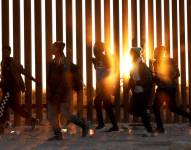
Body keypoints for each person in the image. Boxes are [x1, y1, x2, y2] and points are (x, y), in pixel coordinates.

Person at [47, 41, 89, 140]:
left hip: (63, 93)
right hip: (55, 92)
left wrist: (58, 93)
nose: (51, 49)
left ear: (58, 49)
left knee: (65, 113)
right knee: (52, 114)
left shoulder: (64, 62)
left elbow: (65, 80)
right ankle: (58, 134)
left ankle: (84, 125)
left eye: (53, 47)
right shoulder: (54, 61)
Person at [0, 45, 39, 134]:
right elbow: (4, 76)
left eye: (6, 52)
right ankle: (32, 120)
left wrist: (34, 80)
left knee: (2, 106)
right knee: (16, 108)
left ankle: (1, 127)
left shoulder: (13, 62)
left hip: (12, 89)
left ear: (9, 52)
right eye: (3, 52)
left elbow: (23, 71)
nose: (5, 53)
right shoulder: (3, 62)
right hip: (6, 89)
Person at [152, 46, 191, 133]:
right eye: (155, 52)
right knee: (156, 107)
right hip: (161, 88)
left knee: (172, 108)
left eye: (156, 52)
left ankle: (189, 117)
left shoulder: (170, 61)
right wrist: (156, 78)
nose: (154, 53)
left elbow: (177, 73)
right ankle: (160, 127)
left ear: (161, 53)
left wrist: (167, 78)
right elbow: (157, 76)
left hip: (169, 88)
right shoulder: (155, 63)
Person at [92, 42, 119, 132]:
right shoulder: (97, 59)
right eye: (94, 48)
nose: (94, 50)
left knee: (98, 102)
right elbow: (100, 70)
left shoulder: (105, 58)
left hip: (106, 85)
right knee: (108, 105)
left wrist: (103, 82)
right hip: (103, 85)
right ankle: (114, 126)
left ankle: (102, 123)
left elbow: (109, 71)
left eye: (96, 48)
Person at [127, 47, 153, 135]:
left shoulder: (141, 65)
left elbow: (149, 79)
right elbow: (132, 77)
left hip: (143, 92)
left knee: (142, 111)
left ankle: (149, 130)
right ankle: (149, 119)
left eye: (133, 54)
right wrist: (132, 85)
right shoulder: (135, 64)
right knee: (135, 110)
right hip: (138, 91)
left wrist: (138, 83)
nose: (131, 55)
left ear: (137, 54)